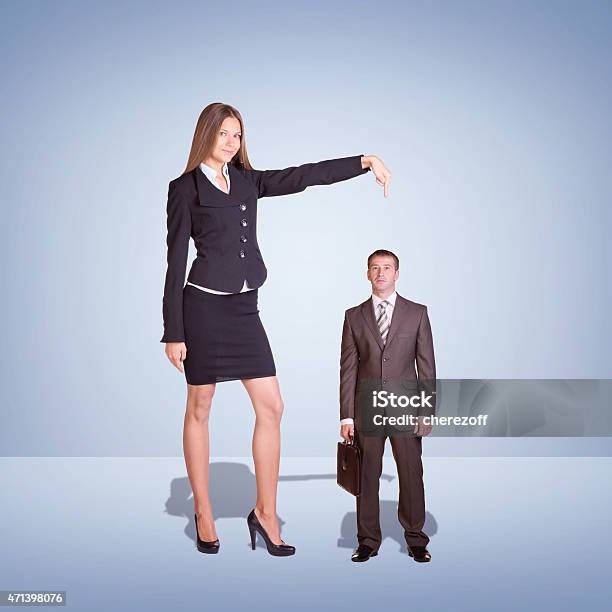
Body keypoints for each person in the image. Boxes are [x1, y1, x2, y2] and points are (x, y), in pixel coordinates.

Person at [160, 102, 392, 556]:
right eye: (224, 133)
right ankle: (204, 511)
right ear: (205, 134)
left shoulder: (248, 180)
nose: (231, 142)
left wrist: (364, 162)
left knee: (272, 407)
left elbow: (302, 176)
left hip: (246, 311)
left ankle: (265, 513)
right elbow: (174, 265)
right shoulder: (183, 189)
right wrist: (174, 331)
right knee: (200, 405)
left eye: (238, 135)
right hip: (202, 310)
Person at [339, 249, 435, 562]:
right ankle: (367, 540)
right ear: (367, 274)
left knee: (410, 473)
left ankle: (416, 539)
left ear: (397, 273)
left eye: (387, 268)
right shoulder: (354, 316)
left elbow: (427, 367)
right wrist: (346, 416)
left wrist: (426, 410)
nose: (381, 273)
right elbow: (348, 369)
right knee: (366, 475)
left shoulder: (417, 313)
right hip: (366, 410)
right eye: (375, 268)